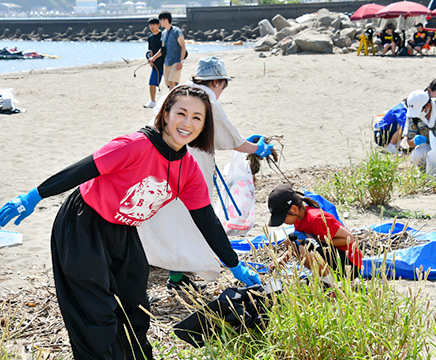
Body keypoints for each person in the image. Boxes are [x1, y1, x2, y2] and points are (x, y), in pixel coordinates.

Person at [0, 86, 260, 359]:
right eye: (180, 113)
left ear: (205, 125)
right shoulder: (134, 145)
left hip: (125, 231)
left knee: (134, 311)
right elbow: (82, 169)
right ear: (165, 114)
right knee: (96, 314)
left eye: (197, 117)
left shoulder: (188, 168)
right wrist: (33, 195)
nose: (187, 123)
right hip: (83, 226)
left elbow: (206, 220)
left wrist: (234, 264)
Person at [139, 56, 274, 291]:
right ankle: (178, 277)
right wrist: (258, 149)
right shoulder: (207, 101)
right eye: (223, 85)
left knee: (168, 220)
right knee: (190, 220)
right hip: (187, 172)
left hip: (158, 168)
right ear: (218, 82)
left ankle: (176, 277)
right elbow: (233, 140)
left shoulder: (173, 94)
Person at [267, 184, 363, 286]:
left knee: (306, 246)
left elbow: (349, 238)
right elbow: (299, 240)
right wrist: (283, 259)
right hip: (329, 255)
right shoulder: (298, 219)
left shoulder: (316, 218)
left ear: (294, 209)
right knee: (289, 241)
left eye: (283, 217)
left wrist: (317, 241)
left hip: (348, 264)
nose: (283, 222)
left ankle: (329, 285)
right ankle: (320, 275)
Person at [374, 79, 436, 153]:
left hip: (387, 132)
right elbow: (408, 128)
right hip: (381, 135)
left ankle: (396, 144)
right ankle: (391, 146)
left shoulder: (424, 102)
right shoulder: (403, 109)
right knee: (406, 124)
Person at [149, 11, 186, 89]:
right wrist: (153, 58)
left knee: (172, 81)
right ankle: (174, 99)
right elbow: (162, 49)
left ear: (165, 20)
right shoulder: (163, 33)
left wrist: (181, 61)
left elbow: (183, 46)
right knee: (169, 84)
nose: (160, 22)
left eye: (160, 20)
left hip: (176, 61)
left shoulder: (176, 31)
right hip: (166, 62)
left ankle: (174, 100)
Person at [143, 17, 164, 108]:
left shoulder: (163, 35)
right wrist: (151, 60)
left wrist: (154, 57)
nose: (151, 27)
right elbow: (151, 50)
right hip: (156, 65)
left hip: (166, 63)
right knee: (152, 83)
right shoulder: (150, 37)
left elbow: (163, 49)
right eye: (150, 25)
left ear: (158, 25)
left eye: (153, 25)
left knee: (170, 84)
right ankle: (152, 101)